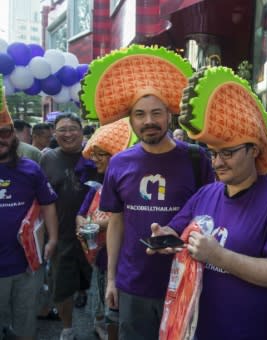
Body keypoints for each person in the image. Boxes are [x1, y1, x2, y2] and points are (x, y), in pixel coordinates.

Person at [150, 66, 267, 340]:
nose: (217, 163)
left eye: (228, 152)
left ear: (255, 150)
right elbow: (178, 232)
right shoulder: (206, 193)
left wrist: (219, 256)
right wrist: (166, 238)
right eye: (213, 153)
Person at [81, 45, 214, 339]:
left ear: (169, 116)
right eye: (140, 114)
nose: (148, 121)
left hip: (185, 280)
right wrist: (111, 280)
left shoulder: (196, 159)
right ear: (131, 119)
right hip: (134, 284)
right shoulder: (119, 162)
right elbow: (116, 223)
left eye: (156, 113)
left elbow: (212, 217)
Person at [0, 92, 59, 339]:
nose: (0, 139)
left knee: (25, 326)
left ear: (13, 134)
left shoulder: (30, 168)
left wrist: (53, 239)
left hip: (26, 263)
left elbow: (48, 204)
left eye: (5, 132)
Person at [40, 112, 98, 340]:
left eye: (72, 128)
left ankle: (97, 315)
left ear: (81, 130)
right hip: (62, 233)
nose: (67, 133)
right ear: (54, 133)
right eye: (62, 129)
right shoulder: (48, 158)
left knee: (94, 279)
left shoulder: (94, 154)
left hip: (95, 232)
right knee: (61, 284)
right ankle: (67, 327)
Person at [76, 118, 134, 340]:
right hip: (102, 261)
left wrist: (97, 225)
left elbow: (128, 218)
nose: (95, 160)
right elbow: (80, 214)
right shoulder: (97, 188)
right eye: (94, 154)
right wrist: (82, 224)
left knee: (120, 316)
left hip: (125, 262)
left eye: (102, 154)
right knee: (110, 313)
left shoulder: (130, 184)